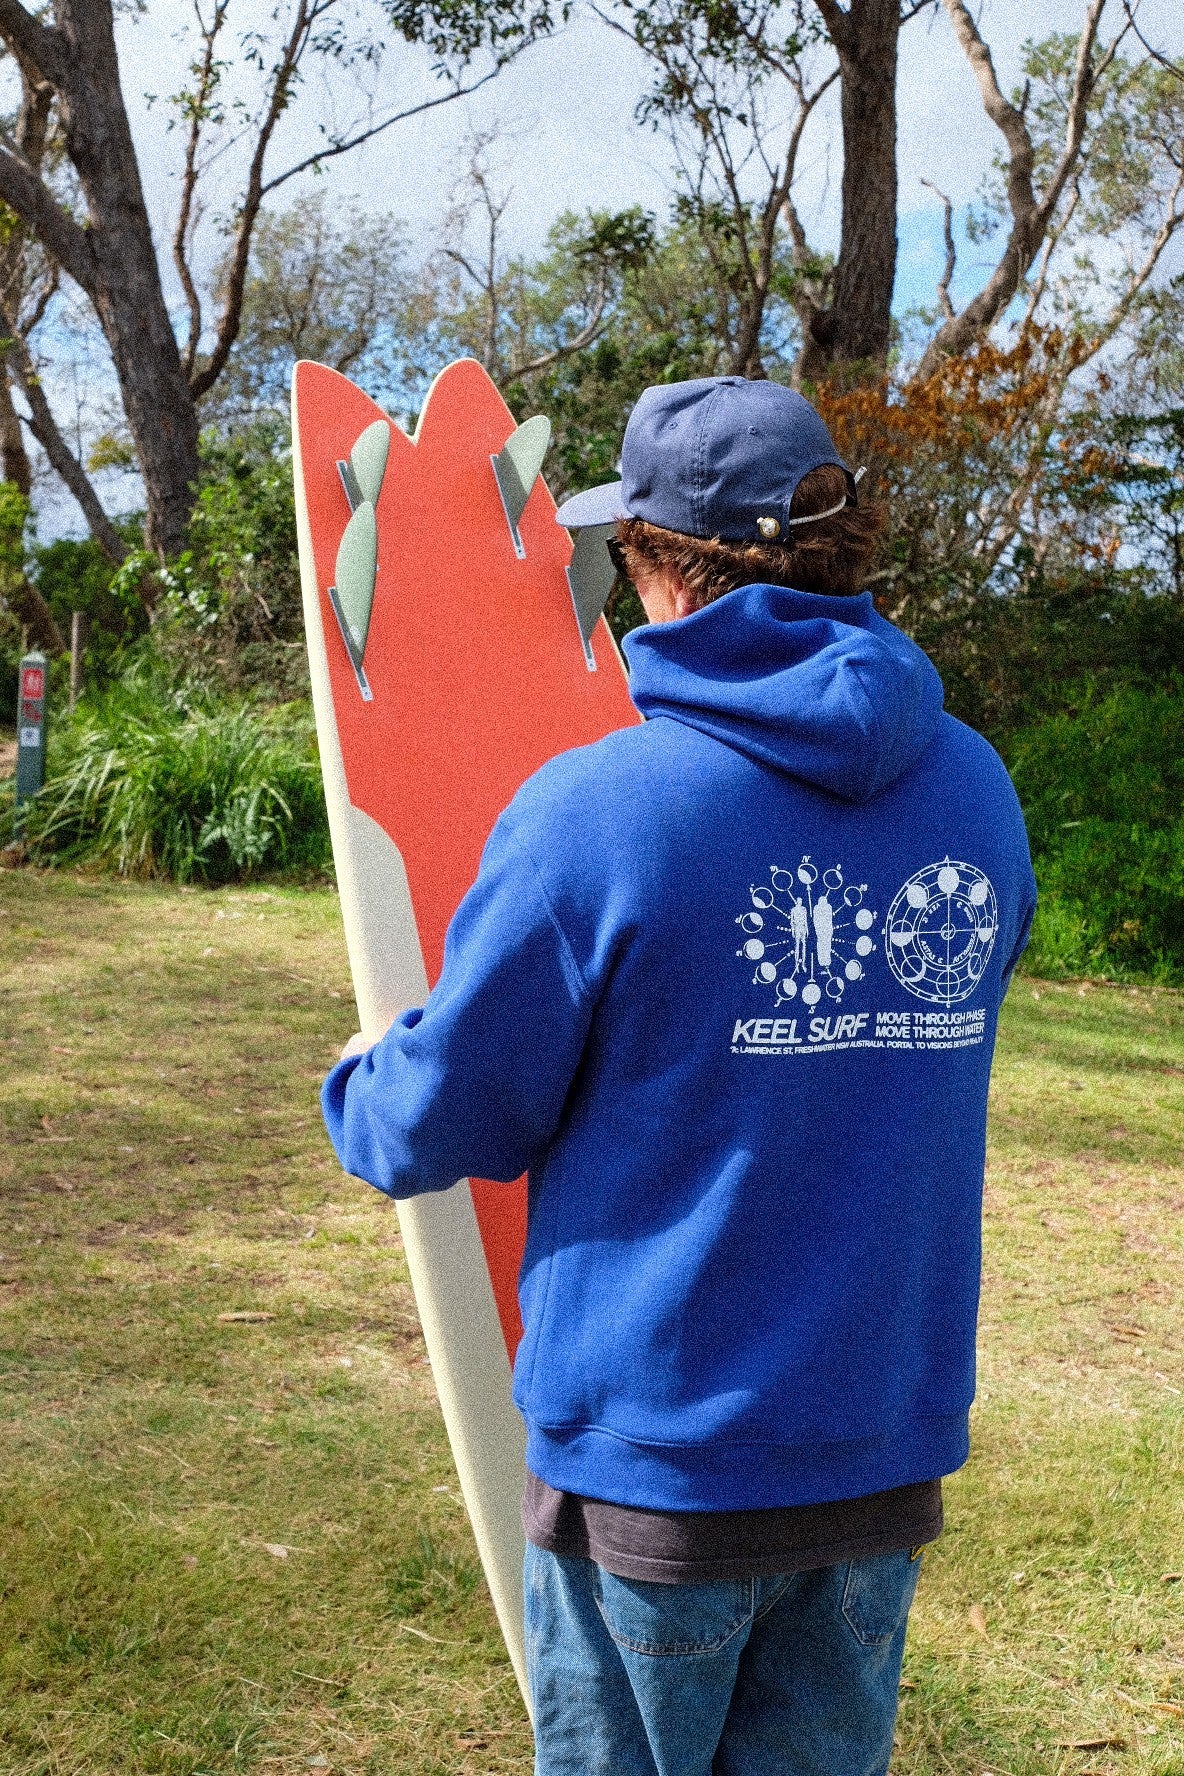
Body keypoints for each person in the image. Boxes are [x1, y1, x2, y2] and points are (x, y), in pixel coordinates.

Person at [322, 376, 1037, 1776]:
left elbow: (451, 1111)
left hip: (663, 1478)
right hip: (875, 1462)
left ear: (663, 566)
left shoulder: (601, 810)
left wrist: (358, 1081)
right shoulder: (976, 791)